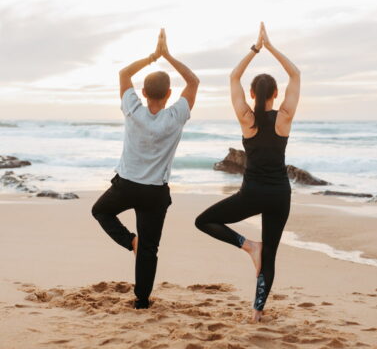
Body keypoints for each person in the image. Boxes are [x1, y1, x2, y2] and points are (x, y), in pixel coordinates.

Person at [195, 22, 300, 322]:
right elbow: (296, 74)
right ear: (276, 94)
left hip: (251, 194)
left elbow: (233, 77)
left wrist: (256, 49)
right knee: (271, 256)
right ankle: (256, 312)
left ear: (252, 93)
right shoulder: (284, 117)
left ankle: (248, 245)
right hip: (280, 194)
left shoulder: (246, 119)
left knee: (204, 221)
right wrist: (272, 47)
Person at [92, 29, 199, 309]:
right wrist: (169, 56)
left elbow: (124, 73)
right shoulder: (176, 116)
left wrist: (153, 56)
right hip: (155, 193)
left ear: (142, 92)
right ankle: (141, 301)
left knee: (100, 211)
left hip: (126, 186)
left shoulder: (133, 110)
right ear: (169, 94)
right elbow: (194, 80)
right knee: (150, 249)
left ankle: (131, 242)